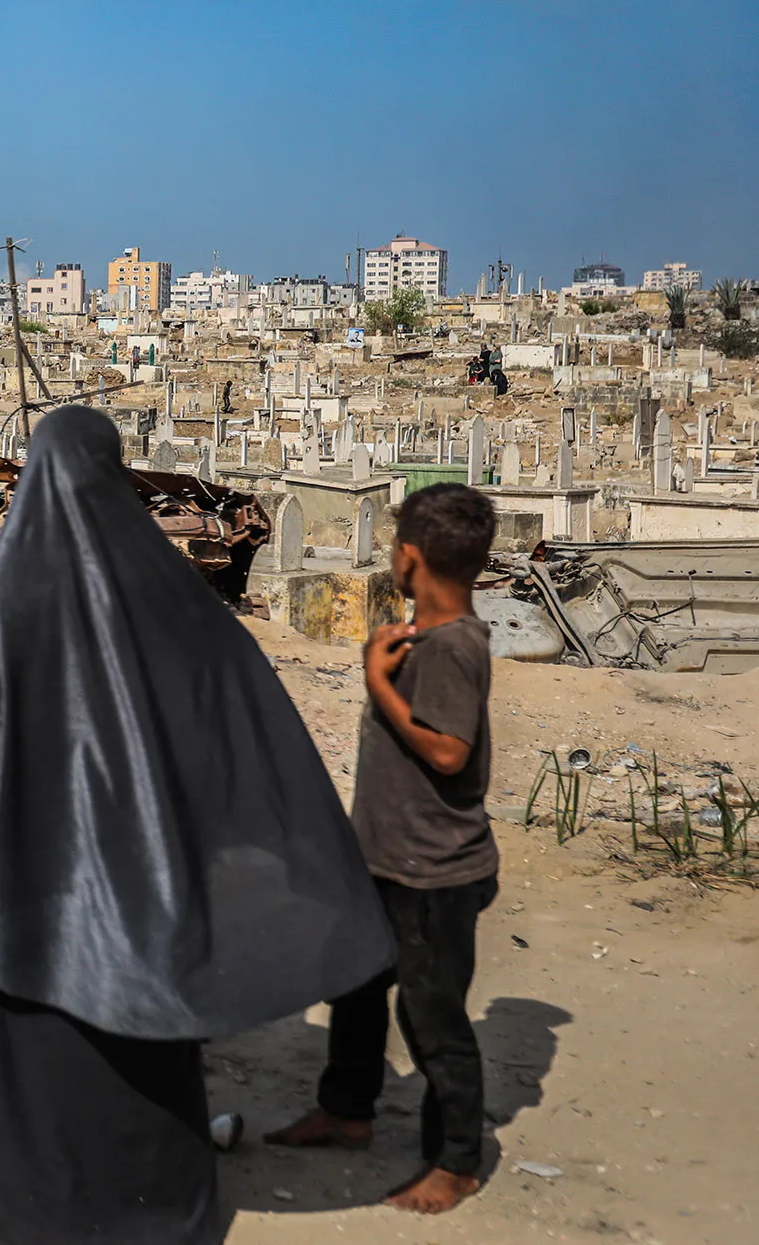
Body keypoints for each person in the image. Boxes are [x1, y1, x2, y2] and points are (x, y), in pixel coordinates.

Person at [0, 405, 394, 1244]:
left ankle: (21, 1210)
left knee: (20, 1051)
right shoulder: (162, 578)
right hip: (140, 864)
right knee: (135, 1038)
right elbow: (218, 695)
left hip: (31, 867)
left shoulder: (19, 584)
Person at [267, 483, 500, 1215]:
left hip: (434, 871)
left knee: (432, 1018)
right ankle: (347, 1107)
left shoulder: (456, 648)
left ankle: (456, 1160)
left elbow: (450, 751)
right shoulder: (429, 638)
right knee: (358, 988)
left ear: (408, 558)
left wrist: (378, 684)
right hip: (386, 859)